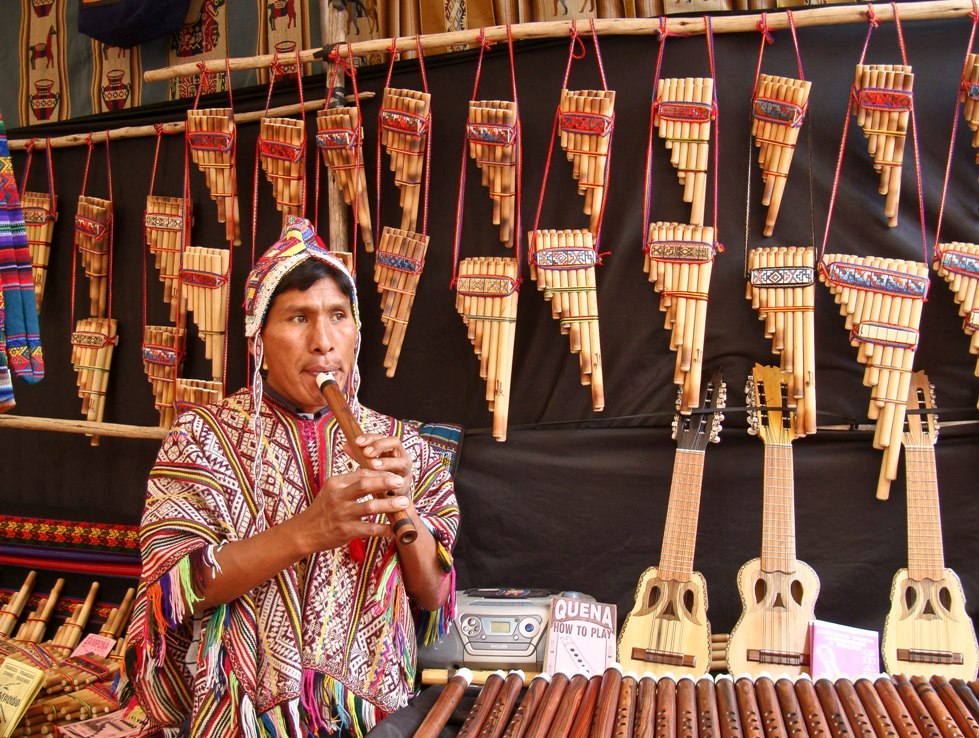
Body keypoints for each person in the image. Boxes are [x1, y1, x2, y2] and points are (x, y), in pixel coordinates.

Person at [125, 218, 459, 738]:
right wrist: (310, 530)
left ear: (356, 331)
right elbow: (177, 588)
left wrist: (405, 509)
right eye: (298, 318)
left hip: (372, 718)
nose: (324, 342)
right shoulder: (200, 438)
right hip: (243, 717)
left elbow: (432, 596)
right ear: (259, 337)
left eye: (338, 316)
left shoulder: (405, 444)